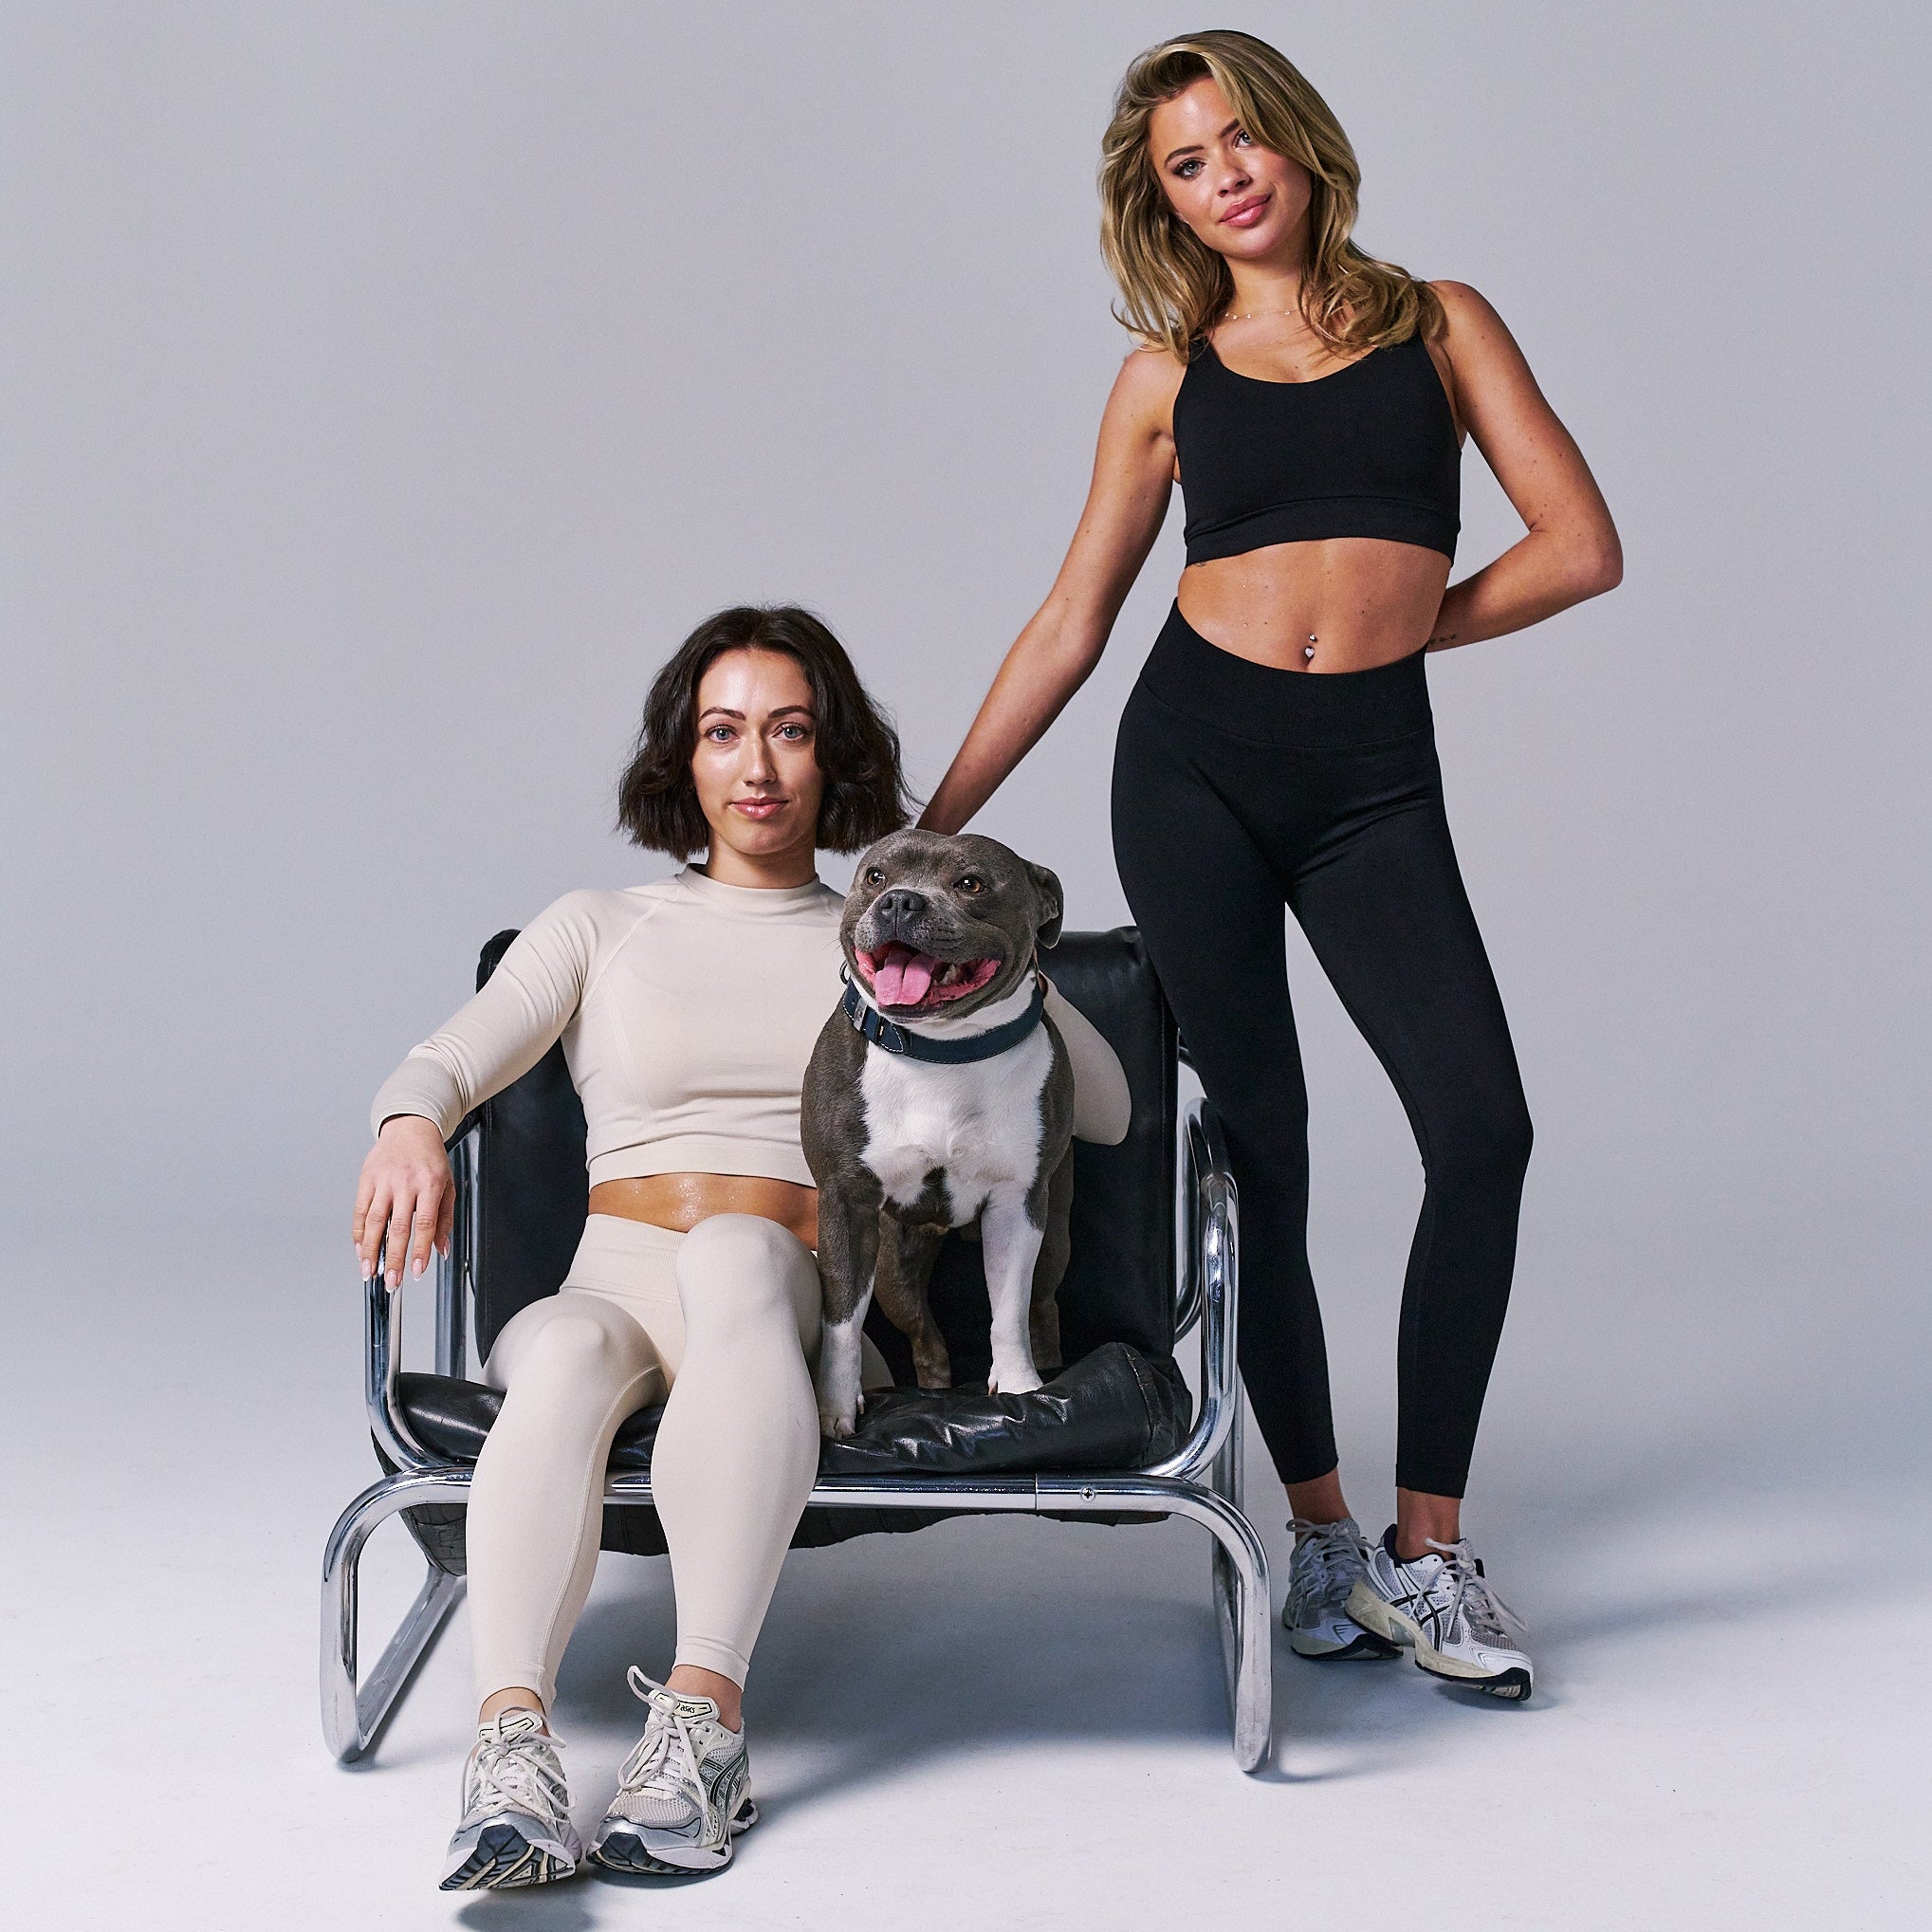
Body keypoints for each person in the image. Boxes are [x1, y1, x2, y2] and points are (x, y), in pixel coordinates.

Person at [920, 31, 1621, 1702]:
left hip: (1370, 780)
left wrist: (1395, 642)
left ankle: (1428, 1544)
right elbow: (1071, 620)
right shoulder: (1167, 376)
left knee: (1480, 1124)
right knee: (1267, 1147)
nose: (1225, 173)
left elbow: (1579, 543)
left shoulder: (1435, 321)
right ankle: (1316, 1531)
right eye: (1185, 161)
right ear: (1159, 199)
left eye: (1242, 138)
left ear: (1297, 144)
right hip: (1193, 769)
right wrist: (933, 834)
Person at [354, 604, 1128, 1888]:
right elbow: (445, 1059)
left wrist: (1006, 966)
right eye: (724, 733)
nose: (757, 767)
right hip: (614, 1274)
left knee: (733, 1252)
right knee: (552, 1356)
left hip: (777, 1287)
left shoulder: (889, 937)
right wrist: (405, 1126)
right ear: (684, 758)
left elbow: (1099, 1114)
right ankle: (510, 1753)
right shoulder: (601, 922)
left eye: (788, 732)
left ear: (832, 761)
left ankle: (703, 1725)